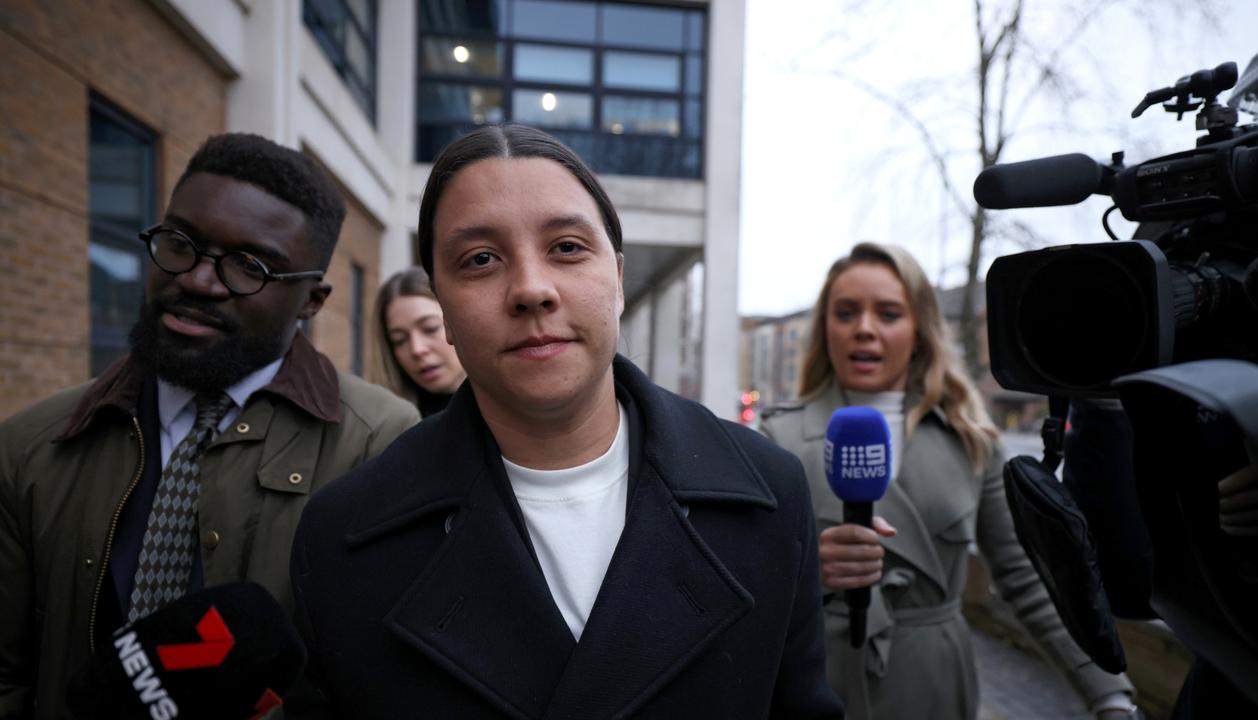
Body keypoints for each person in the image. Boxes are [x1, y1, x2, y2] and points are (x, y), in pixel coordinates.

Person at [286, 124, 843, 718]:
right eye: (480, 259)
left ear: (619, 279)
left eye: (567, 247)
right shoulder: (343, 537)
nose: (531, 289)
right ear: (443, 308)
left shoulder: (770, 497)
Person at [0, 133, 420, 718]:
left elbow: (384, 685)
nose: (197, 281)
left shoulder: (379, 442)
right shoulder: (28, 447)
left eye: (250, 266)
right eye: (180, 244)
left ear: (312, 302)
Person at [760, 242, 1137, 720]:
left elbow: (1028, 579)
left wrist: (1109, 693)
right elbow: (740, 581)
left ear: (919, 329)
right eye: (847, 312)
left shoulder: (971, 440)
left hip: (934, 686)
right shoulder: (775, 437)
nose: (865, 330)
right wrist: (807, 575)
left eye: (889, 314)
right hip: (815, 685)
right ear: (825, 328)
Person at [372, 267, 466, 416]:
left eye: (430, 328)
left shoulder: (509, 412)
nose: (417, 349)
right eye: (399, 340)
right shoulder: (388, 427)